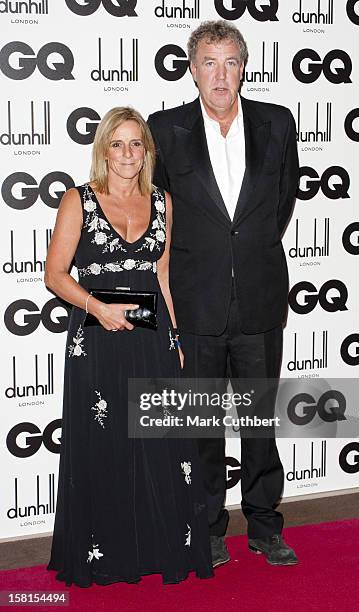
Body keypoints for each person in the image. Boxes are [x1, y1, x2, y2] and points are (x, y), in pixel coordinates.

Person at [148, 20, 299, 567]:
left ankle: (264, 525)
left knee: (259, 421)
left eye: (230, 61)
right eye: (208, 62)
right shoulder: (164, 129)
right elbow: (157, 213)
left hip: (259, 298)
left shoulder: (277, 123)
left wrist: (246, 251)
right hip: (195, 302)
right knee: (202, 427)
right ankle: (208, 527)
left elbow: (280, 204)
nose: (220, 74)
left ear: (243, 67)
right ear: (192, 70)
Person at [45, 106, 213, 586]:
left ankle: (158, 549)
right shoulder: (78, 200)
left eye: (136, 143)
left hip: (151, 337)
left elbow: (162, 275)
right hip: (95, 341)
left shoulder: (163, 201)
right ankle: (105, 555)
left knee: (159, 447)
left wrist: (175, 337)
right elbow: (55, 275)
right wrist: (99, 309)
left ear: (147, 150)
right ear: (103, 150)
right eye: (117, 143)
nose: (127, 153)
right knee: (104, 445)